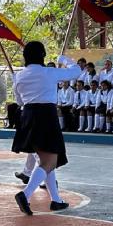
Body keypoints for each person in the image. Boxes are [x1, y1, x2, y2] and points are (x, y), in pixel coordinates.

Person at [12, 41, 79, 215]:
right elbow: (77, 71)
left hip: (27, 115)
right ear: (42, 55)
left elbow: (19, 101)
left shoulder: (19, 76)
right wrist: (64, 59)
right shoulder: (49, 72)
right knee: (50, 161)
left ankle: (56, 200)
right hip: (46, 116)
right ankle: (25, 194)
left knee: (45, 160)